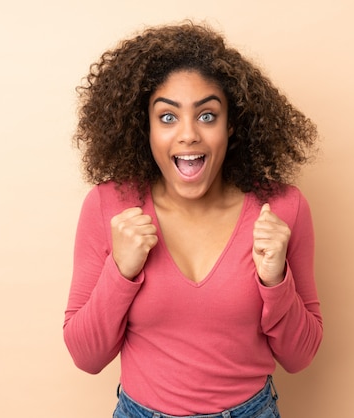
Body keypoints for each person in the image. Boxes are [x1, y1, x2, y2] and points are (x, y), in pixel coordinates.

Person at [63, 21, 323, 418]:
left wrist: (276, 281)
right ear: (145, 127)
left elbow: (300, 357)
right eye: (167, 117)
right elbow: (86, 356)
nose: (188, 135)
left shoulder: (282, 209)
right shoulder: (109, 207)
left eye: (207, 116)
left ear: (231, 125)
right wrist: (120, 272)